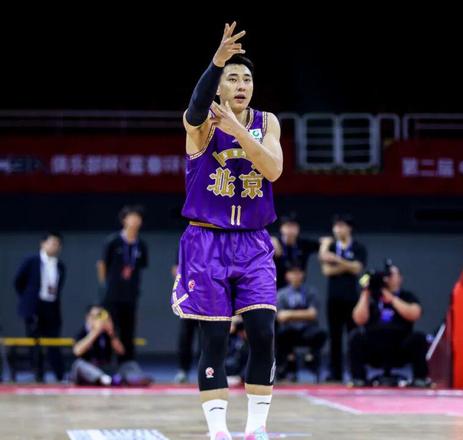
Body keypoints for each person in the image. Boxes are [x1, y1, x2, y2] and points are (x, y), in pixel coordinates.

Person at [171, 21, 283, 440]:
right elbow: (195, 106)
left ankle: (256, 428)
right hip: (207, 240)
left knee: (263, 332)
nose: (241, 85)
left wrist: (238, 131)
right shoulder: (201, 124)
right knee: (214, 339)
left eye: (246, 79)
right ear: (219, 87)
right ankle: (218, 431)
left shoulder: (267, 122)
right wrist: (215, 62)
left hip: (253, 241)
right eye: (232, 78)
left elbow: (273, 169)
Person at [349, 261, 430, 387]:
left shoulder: (407, 296)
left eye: (392, 275)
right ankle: (359, 378)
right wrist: (366, 293)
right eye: (386, 275)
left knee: (419, 338)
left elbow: (415, 313)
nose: (388, 278)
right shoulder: (373, 298)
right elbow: (358, 319)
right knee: (355, 336)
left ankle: (420, 378)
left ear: (400, 278)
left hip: (400, 346)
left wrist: (392, 299)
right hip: (374, 346)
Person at [97, 205, 148, 365]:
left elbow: (141, 266)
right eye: (131, 217)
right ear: (124, 220)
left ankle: (127, 365)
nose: (135, 221)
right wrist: (105, 286)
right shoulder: (113, 241)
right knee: (109, 329)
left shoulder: (141, 245)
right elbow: (102, 264)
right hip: (112, 295)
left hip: (130, 295)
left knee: (128, 331)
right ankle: (106, 364)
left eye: (138, 218)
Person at [319, 214, 367, 382]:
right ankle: (335, 373)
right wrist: (347, 264)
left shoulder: (359, 247)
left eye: (341, 226)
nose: (338, 229)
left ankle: (356, 372)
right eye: (336, 226)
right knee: (335, 336)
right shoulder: (332, 246)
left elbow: (357, 268)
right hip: (334, 298)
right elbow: (327, 270)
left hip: (352, 298)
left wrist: (337, 260)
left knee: (353, 335)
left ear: (349, 228)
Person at [14, 232, 66, 382]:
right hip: (34, 307)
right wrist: (28, 300)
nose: (55, 246)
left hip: (51, 307)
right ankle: (38, 375)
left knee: (53, 342)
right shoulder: (31, 261)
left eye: (58, 244)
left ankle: (60, 376)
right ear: (43, 243)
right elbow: (18, 282)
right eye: (52, 243)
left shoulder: (60, 266)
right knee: (35, 343)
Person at [71, 305, 151, 386]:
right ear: (88, 317)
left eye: (101, 316)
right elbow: (77, 351)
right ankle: (104, 379)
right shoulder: (83, 332)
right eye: (96, 316)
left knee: (129, 364)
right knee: (79, 364)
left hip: (105, 368)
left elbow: (121, 351)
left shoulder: (107, 333)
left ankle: (136, 379)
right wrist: (95, 332)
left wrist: (111, 333)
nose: (99, 320)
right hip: (89, 370)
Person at [275, 264, 326, 380]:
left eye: (299, 273)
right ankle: (287, 366)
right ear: (287, 275)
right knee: (280, 335)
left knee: (320, 334)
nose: (296, 276)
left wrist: (290, 314)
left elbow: (312, 314)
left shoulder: (310, 292)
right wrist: (303, 314)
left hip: (307, 329)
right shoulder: (281, 294)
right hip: (289, 331)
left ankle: (310, 358)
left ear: (303, 274)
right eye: (293, 273)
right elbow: (281, 316)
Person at [271, 213, 320, 289]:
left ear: (298, 228)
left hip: (298, 287)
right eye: (288, 226)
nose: (291, 230)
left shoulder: (303, 244)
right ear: (281, 228)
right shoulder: (274, 243)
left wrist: (325, 244)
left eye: (293, 226)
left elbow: (321, 243)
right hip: (276, 286)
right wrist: (269, 239)